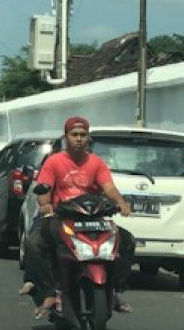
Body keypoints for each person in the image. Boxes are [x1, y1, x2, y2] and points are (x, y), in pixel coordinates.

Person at [22, 116, 134, 319]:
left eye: (83, 135)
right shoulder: (54, 162)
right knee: (34, 244)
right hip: (61, 218)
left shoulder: (97, 163)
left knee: (126, 241)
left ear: (88, 138)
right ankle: (48, 293)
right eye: (74, 135)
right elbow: (44, 188)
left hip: (93, 218)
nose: (79, 139)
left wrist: (121, 202)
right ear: (66, 137)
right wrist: (45, 205)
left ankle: (115, 290)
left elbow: (108, 187)